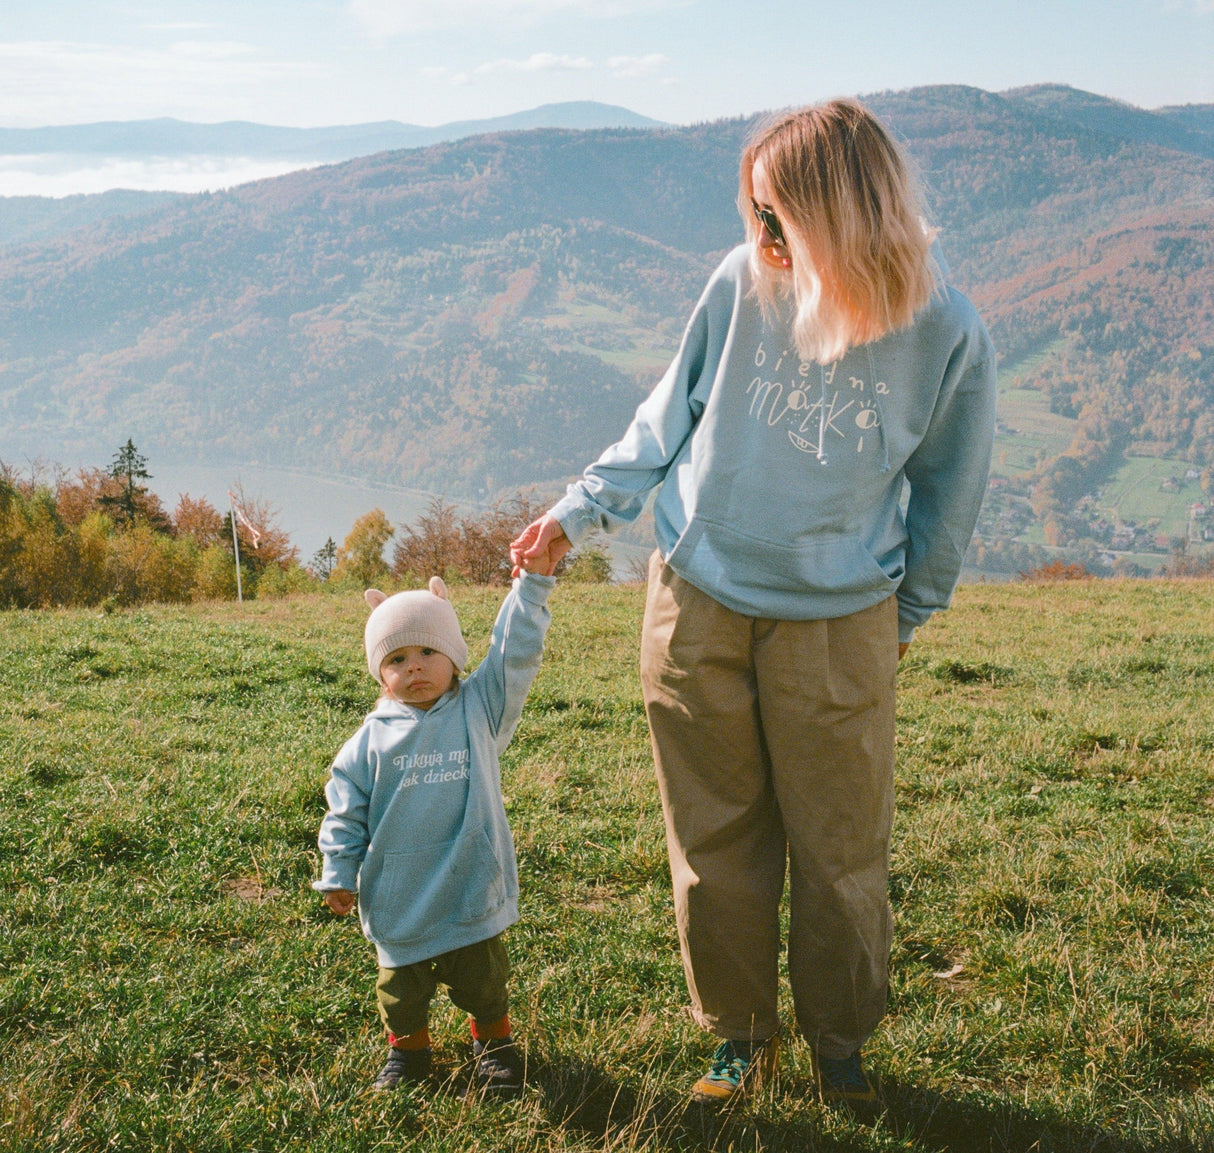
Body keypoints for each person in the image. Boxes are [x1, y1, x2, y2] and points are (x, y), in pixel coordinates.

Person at [511, 98, 997, 1110]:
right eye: (754, 217)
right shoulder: (742, 282)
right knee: (714, 841)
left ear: (839, 216)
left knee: (839, 850)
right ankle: (737, 1037)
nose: (760, 237)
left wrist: (902, 619)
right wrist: (578, 510)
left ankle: (839, 1042)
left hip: (839, 620)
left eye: (777, 218)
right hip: (695, 599)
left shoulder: (944, 328)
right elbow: (667, 413)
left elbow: (950, 492)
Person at [314, 563, 555, 1093]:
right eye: (397, 659)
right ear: (380, 672)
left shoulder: (480, 710)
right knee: (400, 990)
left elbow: (514, 652)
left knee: (485, 979)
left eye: (428, 652)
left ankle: (494, 1048)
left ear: (455, 656)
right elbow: (344, 810)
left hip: (471, 881)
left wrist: (531, 586)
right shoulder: (368, 743)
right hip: (401, 893)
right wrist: (339, 869)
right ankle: (410, 1057)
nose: (415, 667)